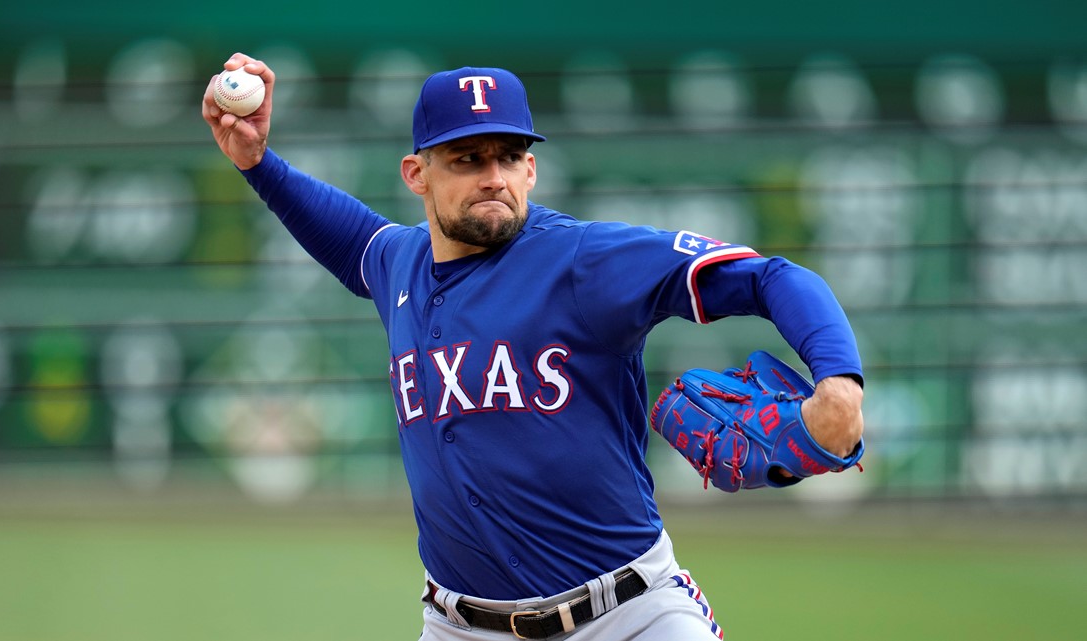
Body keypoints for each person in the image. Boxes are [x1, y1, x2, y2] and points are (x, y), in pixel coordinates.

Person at [202, 53, 864, 640]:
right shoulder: (397, 264)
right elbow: (347, 237)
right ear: (416, 173)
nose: (493, 175)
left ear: (532, 167)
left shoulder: (585, 259)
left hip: (629, 615)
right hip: (460, 623)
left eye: (508, 155)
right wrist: (257, 162)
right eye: (467, 158)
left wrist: (838, 383)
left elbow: (775, 278)